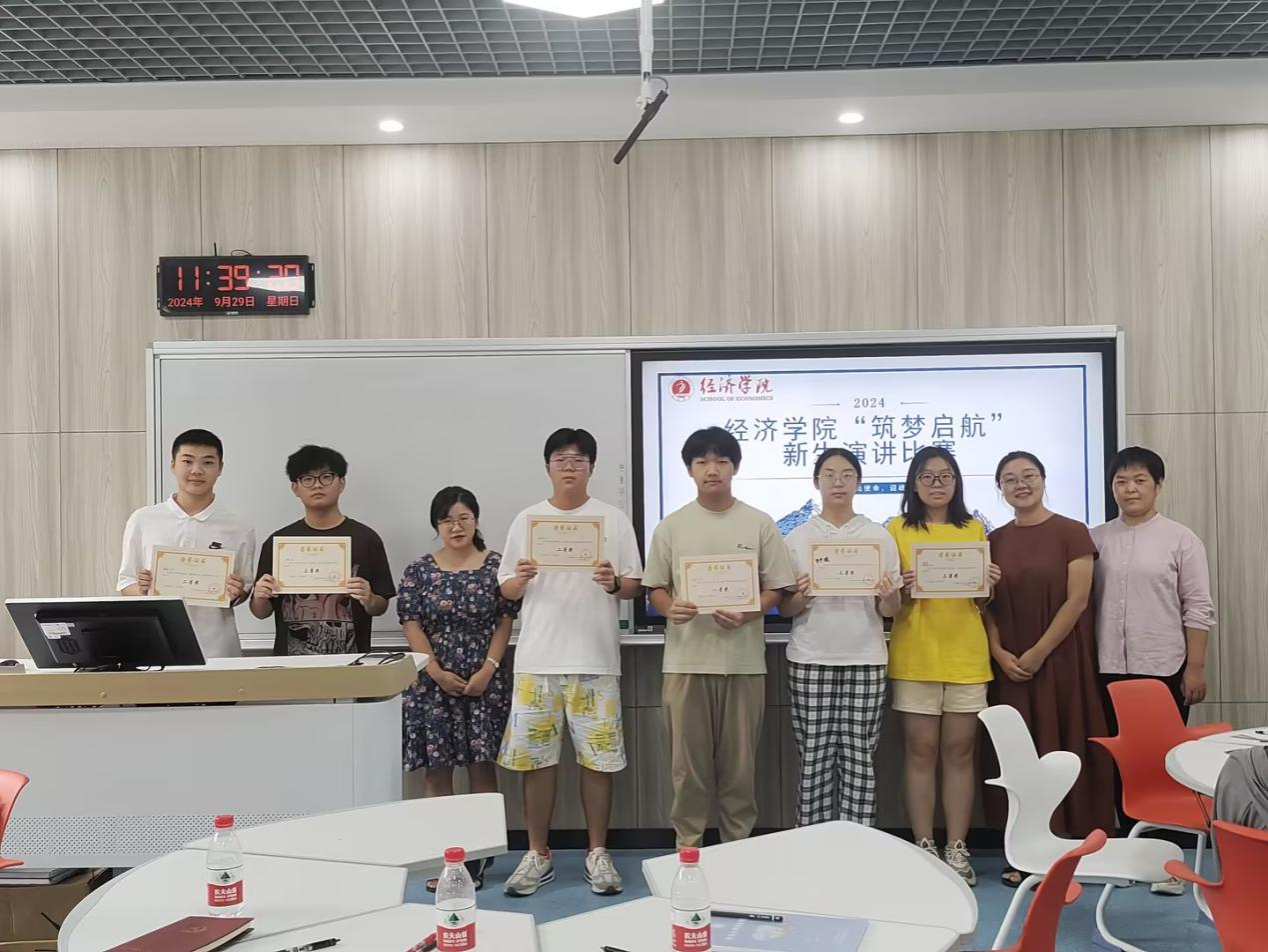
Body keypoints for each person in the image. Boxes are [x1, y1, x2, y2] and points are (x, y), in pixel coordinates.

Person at [497, 428, 643, 898]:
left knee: (598, 762)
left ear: (591, 468)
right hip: (537, 660)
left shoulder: (612, 519)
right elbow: (506, 587)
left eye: (578, 459)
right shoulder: (527, 520)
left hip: (595, 659)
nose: (569, 466)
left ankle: (597, 851)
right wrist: (519, 579)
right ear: (548, 466)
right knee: (535, 763)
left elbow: (634, 585)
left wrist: (612, 582)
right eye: (561, 458)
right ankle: (537, 853)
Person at [643, 426, 796, 849]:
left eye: (722, 461)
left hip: (743, 665)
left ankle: (737, 851)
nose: (712, 470)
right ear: (689, 470)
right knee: (686, 771)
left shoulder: (759, 523)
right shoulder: (671, 526)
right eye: (702, 462)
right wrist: (669, 607)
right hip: (686, 664)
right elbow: (655, 587)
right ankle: (688, 849)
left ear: (735, 468)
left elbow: (777, 587)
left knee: (740, 771)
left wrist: (751, 611)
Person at [983, 451, 1116, 885]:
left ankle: (1076, 849)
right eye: (1009, 479)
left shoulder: (1072, 532)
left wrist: (1039, 652)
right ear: (1000, 489)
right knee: (1021, 756)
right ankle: (1025, 850)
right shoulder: (992, 540)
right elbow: (984, 606)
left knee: (1065, 745)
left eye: (1028, 476)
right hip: (1011, 664)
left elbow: (1078, 601)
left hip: (1061, 660)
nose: (1020, 484)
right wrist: (999, 653)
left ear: (1043, 479)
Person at [886, 446, 999, 886]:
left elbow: (981, 602)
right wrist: (901, 589)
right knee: (920, 752)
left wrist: (988, 585)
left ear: (957, 482)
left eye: (945, 475)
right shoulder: (896, 529)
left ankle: (956, 845)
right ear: (914, 483)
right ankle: (924, 845)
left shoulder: (974, 528)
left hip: (966, 655)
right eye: (927, 476)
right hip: (916, 655)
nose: (937, 483)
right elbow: (888, 603)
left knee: (961, 752)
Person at [399, 487, 515, 891]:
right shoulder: (419, 570)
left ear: (476, 520)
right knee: (438, 771)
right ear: (437, 525)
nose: (456, 526)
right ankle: (443, 857)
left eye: (464, 517)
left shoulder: (497, 566)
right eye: (447, 519)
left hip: (485, 681)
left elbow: (504, 621)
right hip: (433, 682)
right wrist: (434, 671)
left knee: (482, 766)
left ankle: (479, 860)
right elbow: (410, 623)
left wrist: (488, 669)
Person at [780, 448, 901, 828]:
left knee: (859, 757)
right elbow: (785, 608)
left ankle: (857, 842)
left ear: (858, 482)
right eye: (829, 474)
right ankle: (812, 841)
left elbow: (891, 610)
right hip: (810, 656)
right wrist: (802, 596)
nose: (838, 481)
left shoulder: (878, 537)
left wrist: (889, 596)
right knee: (813, 757)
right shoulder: (797, 538)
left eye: (847, 474)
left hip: (866, 656)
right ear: (816, 481)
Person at [1091, 446, 1215, 724]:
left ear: (1158, 485)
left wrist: (1195, 667)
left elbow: (1198, 606)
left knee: (1162, 745)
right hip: (1106, 665)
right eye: (1121, 482)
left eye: (1140, 480)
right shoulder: (1095, 539)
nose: (1130, 489)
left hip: (1164, 665)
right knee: (1114, 746)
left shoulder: (1181, 539)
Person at [118, 429, 255, 659]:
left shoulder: (239, 527)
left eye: (207, 462)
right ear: (173, 465)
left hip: (218, 650)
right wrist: (143, 589)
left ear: (220, 468)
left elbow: (244, 589)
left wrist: (237, 592)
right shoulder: (143, 519)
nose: (196, 470)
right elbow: (126, 582)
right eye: (187, 461)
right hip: (157, 648)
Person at [251, 445, 394, 655]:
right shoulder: (278, 543)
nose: (317, 485)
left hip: (353, 663)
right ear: (295, 488)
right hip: (290, 664)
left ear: (341, 483)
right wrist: (260, 598)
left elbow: (380, 606)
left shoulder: (366, 539)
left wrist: (370, 599)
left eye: (326, 477)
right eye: (307, 479)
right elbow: (261, 612)